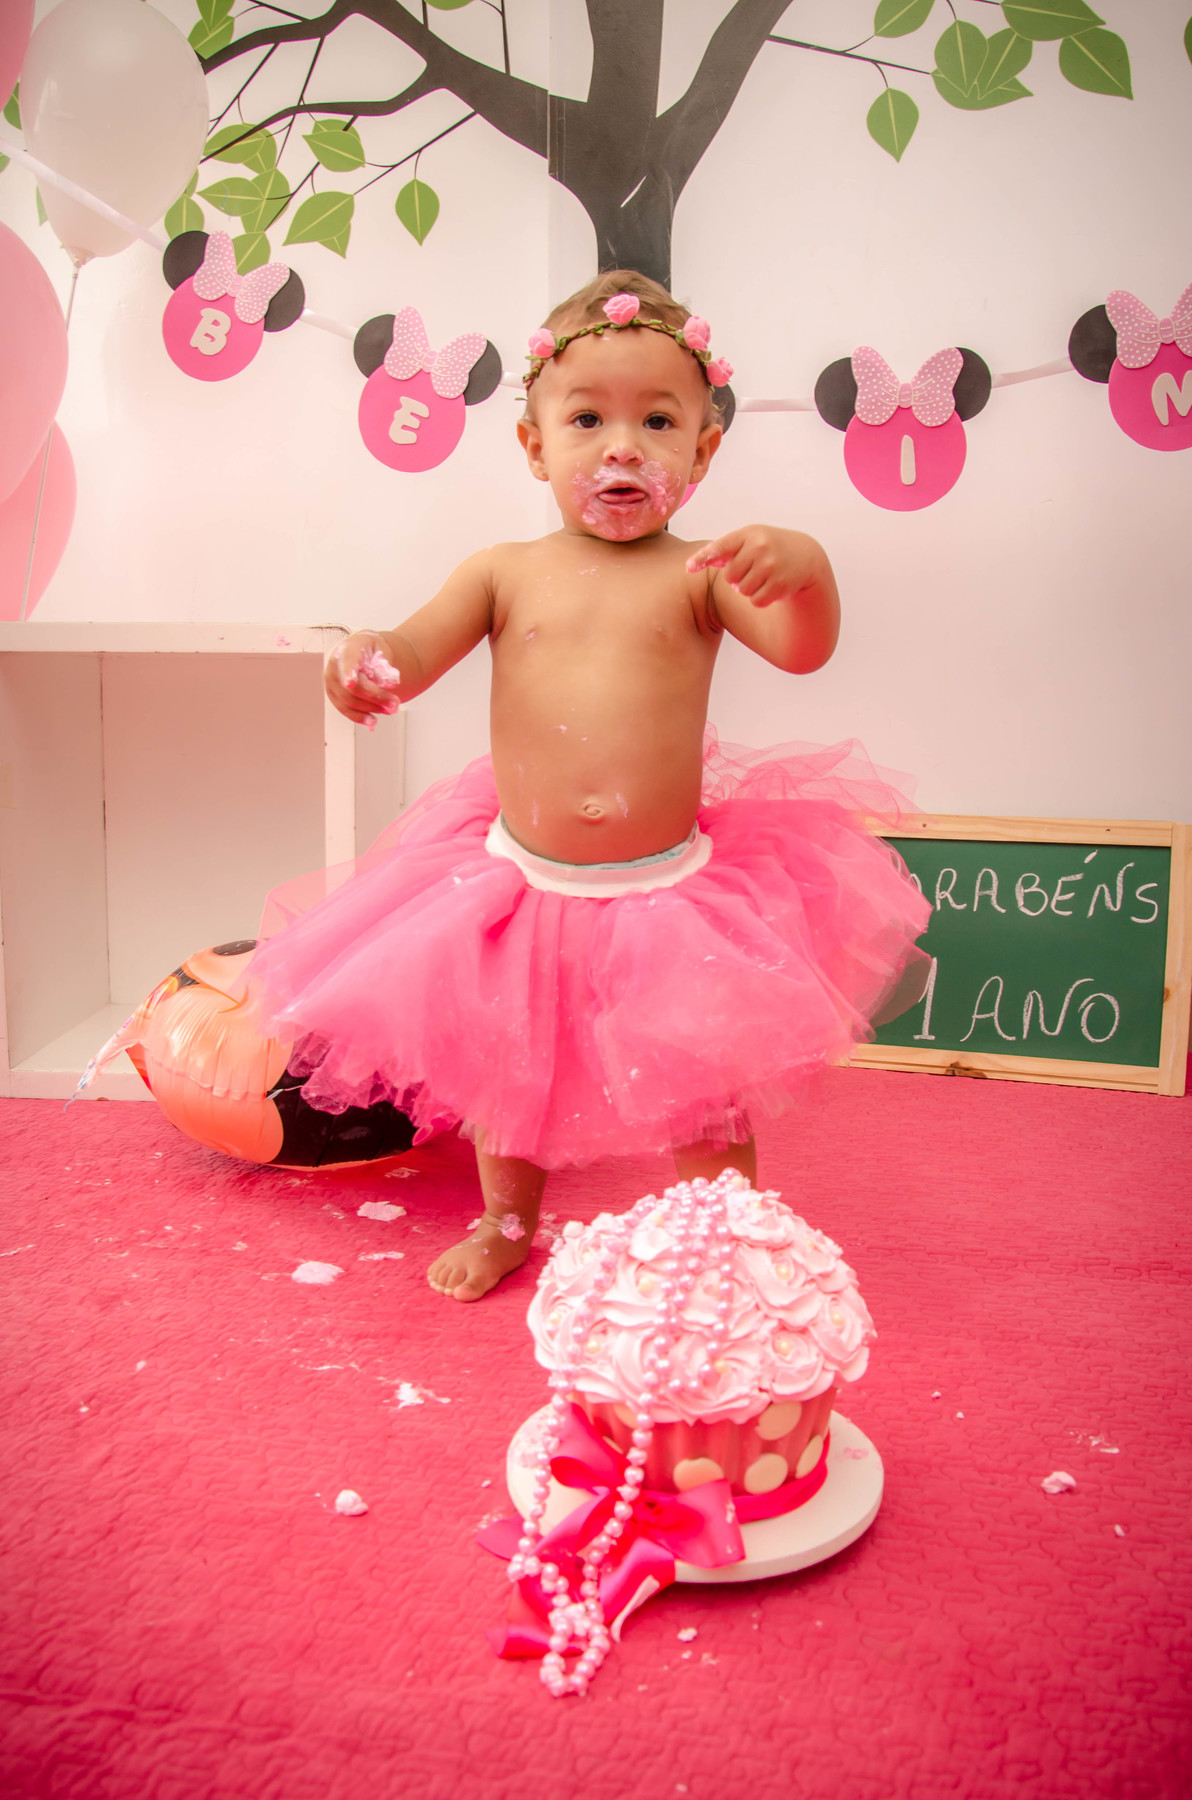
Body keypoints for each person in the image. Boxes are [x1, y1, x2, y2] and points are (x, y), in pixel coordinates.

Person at [245, 270, 931, 1300]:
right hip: (519, 883)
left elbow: (803, 651)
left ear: (702, 452)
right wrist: (366, 660)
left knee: (705, 1083)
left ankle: (724, 1242)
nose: (622, 447)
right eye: (586, 420)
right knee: (506, 1076)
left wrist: (807, 570)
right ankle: (506, 1222)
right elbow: (414, 651)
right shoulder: (501, 571)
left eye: (657, 421)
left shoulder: (703, 574)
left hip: (668, 894)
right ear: (534, 445)